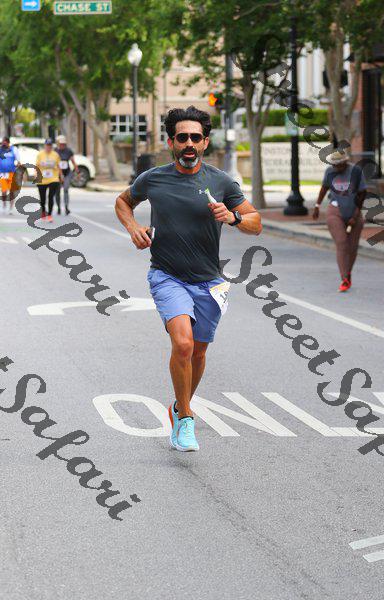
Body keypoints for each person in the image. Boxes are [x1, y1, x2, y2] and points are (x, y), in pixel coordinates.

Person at [115, 105, 262, 452]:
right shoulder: (153, 179)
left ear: (205, 142)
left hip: (209, 281)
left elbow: (255, 223)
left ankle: (179, 405)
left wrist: (233, 217)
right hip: (167, 275)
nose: (189, 144)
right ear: (171, 142)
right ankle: (186, 418)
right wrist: (133, 228)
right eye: (182, 138)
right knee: (182, 344)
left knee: (198, 351)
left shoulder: (220, 182)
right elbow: (123, 202)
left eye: (196, 137)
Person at [313, 151, 367, 292]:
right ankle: (344, 278)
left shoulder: (355, 171)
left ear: (345, 162)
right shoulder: (330, 171)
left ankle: (348, 273)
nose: (336, 168)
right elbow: (324, 188)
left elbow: (362, 194)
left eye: (339, 165)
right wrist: (317, 205)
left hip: (354, 211)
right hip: (335, 210)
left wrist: (355, 216)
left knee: (352, 247)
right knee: (342, 242)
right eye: (334, 165)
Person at [36, 138, 63, 222]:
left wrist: (61, 176)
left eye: (50, 145)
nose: (48, 147)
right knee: (42, 199)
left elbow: (59, 166)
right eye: (47, 145)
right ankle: (43, 211)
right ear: (45, 146)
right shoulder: (40, 154)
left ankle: (50, 214)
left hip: (53, 179)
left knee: (51, 197)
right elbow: (37, 166)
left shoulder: (55, 155)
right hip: (42, 179)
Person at [55, 134, 79, 215]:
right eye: (61, 144)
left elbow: (73, 161)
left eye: (64, 144)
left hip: (67, 173)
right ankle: (58, 207)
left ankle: (66, 207)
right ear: (58, 143)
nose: (62, 145)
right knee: (57, 191)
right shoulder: (55, 151)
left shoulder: (68, 151)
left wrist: (77, 171)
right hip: (57, 174)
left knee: (66, 189)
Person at [0, 136, 21, 214]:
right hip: (2, 173)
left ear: (8, 143)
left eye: (4, 143)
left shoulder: (14, 149)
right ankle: (4, 206)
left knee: (12, 191)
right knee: (4, 191)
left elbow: (18, 161)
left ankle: (11, 208)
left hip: (11, 173)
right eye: (2, 143)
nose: (3, 144)